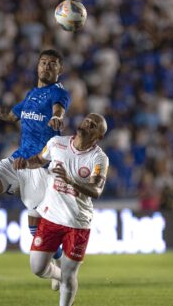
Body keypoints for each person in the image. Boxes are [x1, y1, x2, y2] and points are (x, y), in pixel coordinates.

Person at [0, 49, 71, 263]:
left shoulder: (59, 92)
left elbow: (58, 109)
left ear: (59, 70)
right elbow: (8, 115)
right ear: (37, 66)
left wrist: (56, 117)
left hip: (40, 166)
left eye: (52, 63)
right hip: (19, 159)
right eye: (43, 62)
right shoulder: (31, 95)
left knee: (37, 231)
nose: (46, 66)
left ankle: (61, 262)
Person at [13, 113, 109, 306]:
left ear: (98, 136)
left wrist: (69, 180)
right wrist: (26, 163)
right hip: (50, 218)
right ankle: (58, 275)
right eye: (87, 120)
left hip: (78, 223)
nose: (87, 124)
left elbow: (96, 191)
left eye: (93, 125)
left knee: (70, 274)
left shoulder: (99, 159)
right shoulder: (57, 143)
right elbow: (40, 160)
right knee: (37, 268)